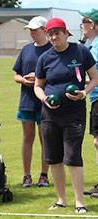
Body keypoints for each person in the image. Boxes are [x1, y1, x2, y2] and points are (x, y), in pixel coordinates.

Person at [34, 17, 98, 214]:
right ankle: (61, 199)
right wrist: (44, 99)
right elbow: (38, 85)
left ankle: (80, 202)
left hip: (73, 114)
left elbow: (95, 77)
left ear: (65, 33)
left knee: (73, 156)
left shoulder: (81, 52)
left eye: (57, 33)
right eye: (50, 33)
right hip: (50, 115)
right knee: (53, 158)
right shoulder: (44, 58)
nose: (54, 37)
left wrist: (84, 93)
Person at [13, 16, 52, 188]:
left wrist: (39, 79)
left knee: (46, 138)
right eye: (30, 30)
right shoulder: (26, 50)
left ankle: (44, 175)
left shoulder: (53, 50)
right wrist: (23, 80)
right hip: (27, 100)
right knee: (28, 137)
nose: (32, 33)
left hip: (45, 101)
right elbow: (16, 74)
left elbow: (57, 75)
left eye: (35, 30)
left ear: (45, 30)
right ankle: (27, 176)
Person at [79, 9, 98, 196]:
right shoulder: (92, 45)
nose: (81, 26)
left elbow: (95, 76)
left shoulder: (97, 46)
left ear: (91, 24)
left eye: (83, 22)